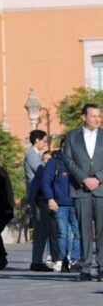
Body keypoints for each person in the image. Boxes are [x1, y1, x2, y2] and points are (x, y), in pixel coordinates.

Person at [63, 104, 103, 282]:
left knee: (102, 230)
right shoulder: (72, 137)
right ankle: (85, 268)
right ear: (84, 117)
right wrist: (84, 179)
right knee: (84, 230)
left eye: (99, 116)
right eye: (93, 116)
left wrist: (98, 178)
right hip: (81, 190)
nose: (97, 119)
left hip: (101, 189)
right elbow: (68, 160)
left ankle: (102, 266)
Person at [40, 145, 82, 273]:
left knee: (78, 233)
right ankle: (62, 260)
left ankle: (75, 260)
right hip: (60, 205)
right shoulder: (54, 162)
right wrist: (50, 199)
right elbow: (45, 182)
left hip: (77, 203)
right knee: (62, 234)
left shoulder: (79, 161)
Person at [25, 129, 54, 272]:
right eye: (43, 140)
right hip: (36, 196)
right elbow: (41, 171)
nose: (44, 143)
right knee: (40, 229)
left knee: (42, 229)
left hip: (38, 195)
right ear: (37, 140)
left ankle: (37, 260)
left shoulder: (36, 154)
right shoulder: (32, 154)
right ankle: (36, 261)